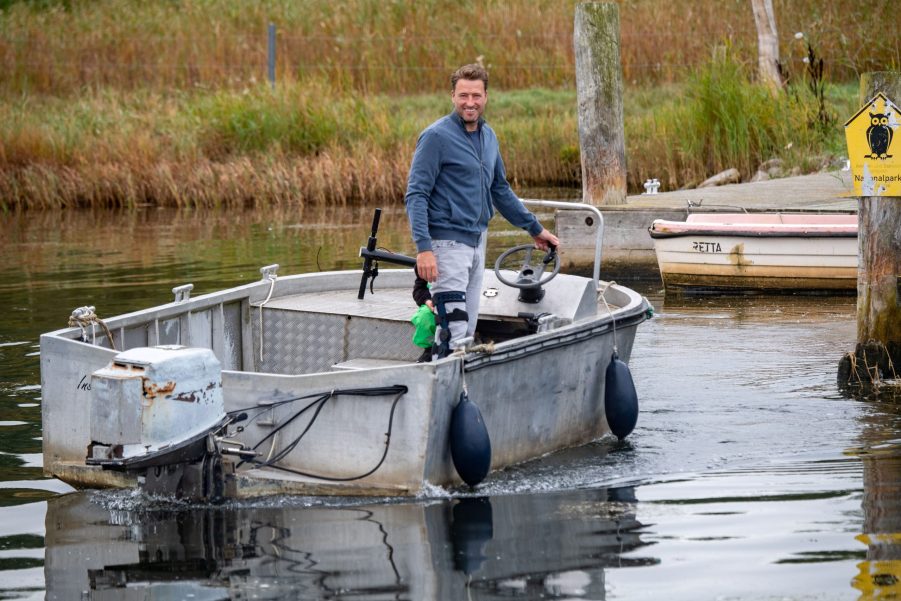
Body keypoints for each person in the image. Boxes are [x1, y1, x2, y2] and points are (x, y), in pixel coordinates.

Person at [404, 63, 560, 358]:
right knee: (454, 330)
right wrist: (424, 249)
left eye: (476, 95)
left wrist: (536, 229)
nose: (470, 103)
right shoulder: (435, 137)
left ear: (486, 96)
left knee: (468, 326)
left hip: (478, 243)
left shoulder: (489, 137)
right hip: (446, 245)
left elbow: (499, 189)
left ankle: (457, 391)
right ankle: (438, 392)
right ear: (452, 96)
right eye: (463, 95)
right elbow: (416, 195)